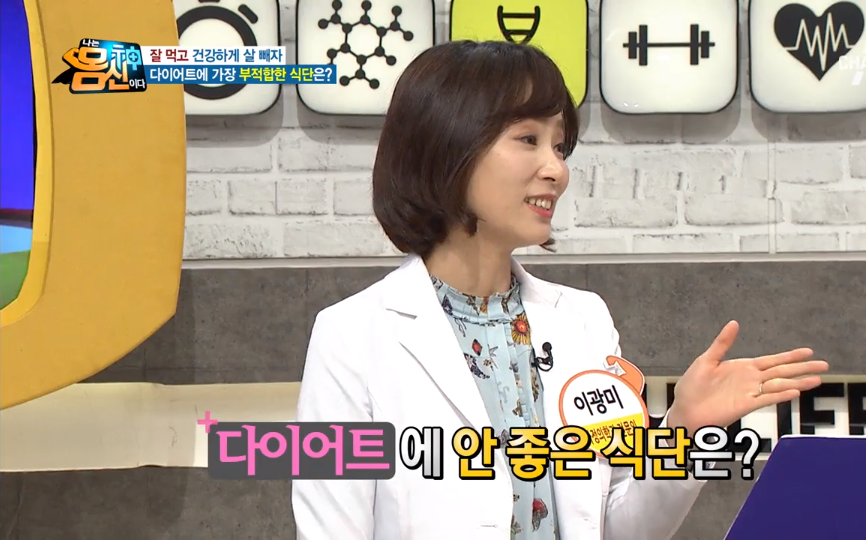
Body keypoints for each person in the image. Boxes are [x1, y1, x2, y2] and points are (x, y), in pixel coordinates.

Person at [291, 40, 829, 540]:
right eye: (528, 140)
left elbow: (617, 527)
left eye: (559, 146)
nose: (556, 170)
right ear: (447, 145)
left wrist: (683, 433)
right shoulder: (351, 336)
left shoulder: (584, 320)